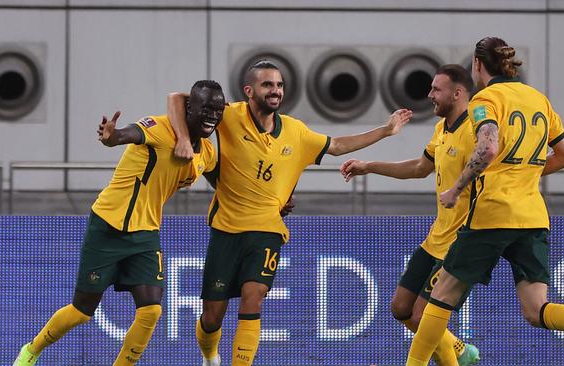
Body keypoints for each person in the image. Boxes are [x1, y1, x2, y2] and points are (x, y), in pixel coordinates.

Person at [405, 37, 564, 366]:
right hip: (532, 217)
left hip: (492, 214)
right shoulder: (538, 100)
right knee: (536, 309)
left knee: (439, 299)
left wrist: (456, 188)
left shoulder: (486, 99)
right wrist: (524, 174)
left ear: (477, 65)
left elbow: (487, 148)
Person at [167, 60, 413, 366]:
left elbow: (336, 145)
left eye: (279, 85)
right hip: (226, 229)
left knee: (253, 296)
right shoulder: (228, 115)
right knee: (211, 317)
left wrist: (386, 131)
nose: (275, 91)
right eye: (267, 85)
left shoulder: (296, 132)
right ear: (249, 90)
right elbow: (177, 98)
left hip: (268, 230)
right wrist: (180, 137)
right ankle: (209, 356)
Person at [13, 80, 226, 366]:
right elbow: (125, 135)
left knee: (151, 311)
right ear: (189, 107)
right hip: (108, 225)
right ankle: (32, 350)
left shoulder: (208, 154)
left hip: (146, 233)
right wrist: (110, 137)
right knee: (82, 311)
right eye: (205, 109)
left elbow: (224, 184)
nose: (212, 115)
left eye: (217, 110)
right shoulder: (160, 129)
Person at [340, 64, 480, 366]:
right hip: (435, 239)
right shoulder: (443, 129)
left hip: (460, 245)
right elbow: (420, 168)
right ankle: (459, 351)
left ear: (457, 93)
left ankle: (458, 359)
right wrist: (369, 165)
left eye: (436, 89)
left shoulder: (476, 132)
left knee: (423, 316)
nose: (429, 95)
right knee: (401, 309)